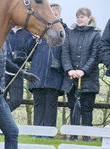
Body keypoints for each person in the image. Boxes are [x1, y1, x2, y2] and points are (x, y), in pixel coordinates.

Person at [61, 8, 101, 141]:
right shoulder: (70, 33)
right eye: (77, 17)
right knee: (73, 107)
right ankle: (73, 135)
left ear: (89, 18)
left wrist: (83, 70)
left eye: (82, 17)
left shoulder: (95, 34)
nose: (79, 19)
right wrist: (69, 70)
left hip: (89, 79)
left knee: (86, 108)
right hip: (72, 78)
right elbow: (65, 53)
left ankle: (86, 136)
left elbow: (95, 56)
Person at [29, 4, 67, 130]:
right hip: (37, 73)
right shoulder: (38, 31)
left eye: (55, 14)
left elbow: (67, 53)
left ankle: (49, 131)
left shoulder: (64, 32)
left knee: (51, 105)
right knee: (38, 104)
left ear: (58, 15)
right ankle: (37, 130)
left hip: (54, 74)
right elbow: (28, 52)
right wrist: (33, 39)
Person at [5, 26, 34, 111]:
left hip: (18, 72)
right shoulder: (5, 30)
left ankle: (0, 117)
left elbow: (29, 54)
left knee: (17, 101)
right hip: (3, 71)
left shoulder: (27, 33)